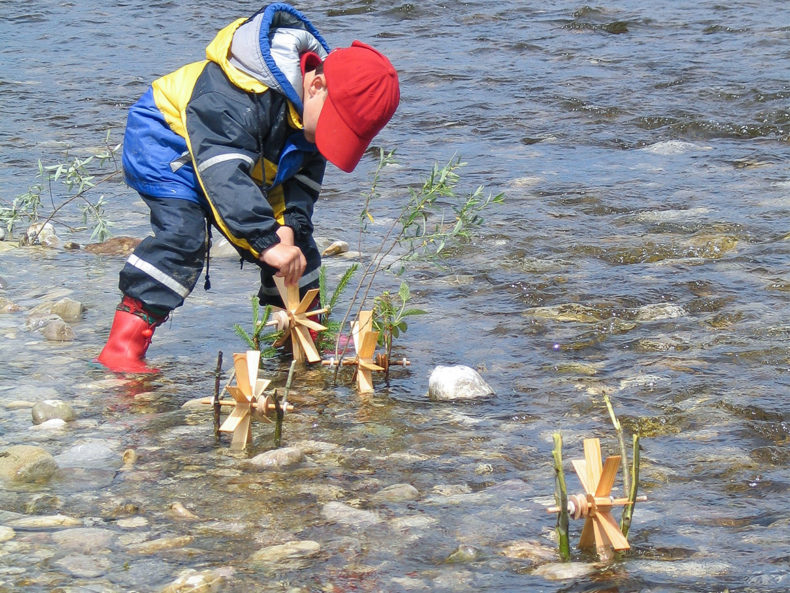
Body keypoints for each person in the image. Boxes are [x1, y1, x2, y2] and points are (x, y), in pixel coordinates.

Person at [97, 2, 400, 373]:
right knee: (184, 237)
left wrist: (288, 224)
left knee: (298, 249)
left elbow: (301, 179)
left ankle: (298, 334)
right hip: (167, 142)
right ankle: (124, 344)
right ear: (316, 85)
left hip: (245, 157)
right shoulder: (236, 94)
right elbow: (223, 174)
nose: (329, 139)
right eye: (333, 128)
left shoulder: (308, 114)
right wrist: (265, 240)